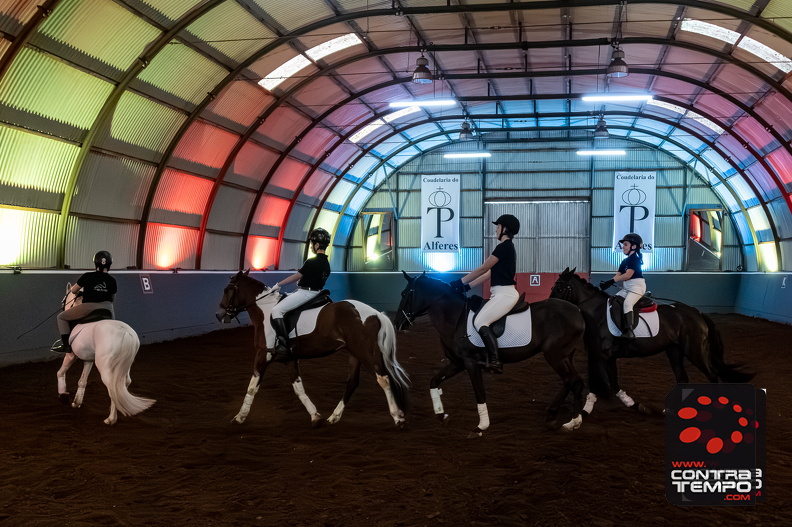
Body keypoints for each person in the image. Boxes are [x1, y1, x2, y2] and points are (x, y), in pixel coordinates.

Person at [449, 214, 520, 374]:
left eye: (498, 227)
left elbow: (483, 268)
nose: (496, 230)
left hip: (505, 294)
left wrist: (460, 282)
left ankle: (495, 361)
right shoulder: (507, 248)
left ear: (505, 229)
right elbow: (489, 274)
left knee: (480, 321)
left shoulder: (503, 247)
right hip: (501, 293)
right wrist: (467, 287)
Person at [268, 227, 332, 361]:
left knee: (276, 310)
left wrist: (278, 284)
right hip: (316, 293)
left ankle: (284, 345)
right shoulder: (327, 264)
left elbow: (296, 277)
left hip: (305, 293)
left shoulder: (312, 261)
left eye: (312, 244)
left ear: (316, 245)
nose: (311, 247)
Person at [51, 251, 117, 353]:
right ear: (109, 264)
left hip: (89, 307)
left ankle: (66, 345)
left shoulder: (87, 276)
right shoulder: (112, 280)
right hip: (107, 308)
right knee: (114, 325)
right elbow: (112, 298)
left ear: (95, 263)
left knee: (61, 317)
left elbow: (73, 291)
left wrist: (82, 292)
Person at [599, 233, 646, 339]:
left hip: (637, 287)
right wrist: (608, 282)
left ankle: (629, 331)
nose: (623, 247)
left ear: (633, 246)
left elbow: (628, 275)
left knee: (627, 304)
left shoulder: (635, 259)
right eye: (623, 245)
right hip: (626, 288)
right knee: (612, 301)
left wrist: (612, 281)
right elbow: (618, 275)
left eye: (625, 244)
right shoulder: (625, 261)